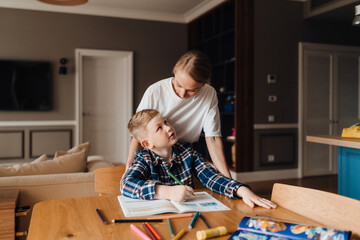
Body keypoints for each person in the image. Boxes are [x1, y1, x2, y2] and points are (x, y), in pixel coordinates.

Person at [121, 109, 276, 209]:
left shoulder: (188, 153)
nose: (168, 127)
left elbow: (211, 177)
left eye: (166, 122)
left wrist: (241, 190)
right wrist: (166, 192)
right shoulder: (143, 159)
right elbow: (126, 185)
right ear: (148, 144)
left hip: (191, 216)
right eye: (159, 128)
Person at [126, 50, 232, 178]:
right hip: (156, 156)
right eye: (178, 85)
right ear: (174, 73)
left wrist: (228, 178)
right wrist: (129, 169)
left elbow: (213, 138)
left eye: (192, 90)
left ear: (204, 83)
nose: (182, 94)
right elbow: (138, 134)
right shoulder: (155, 91)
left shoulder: (209, 94)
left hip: (186, 156)